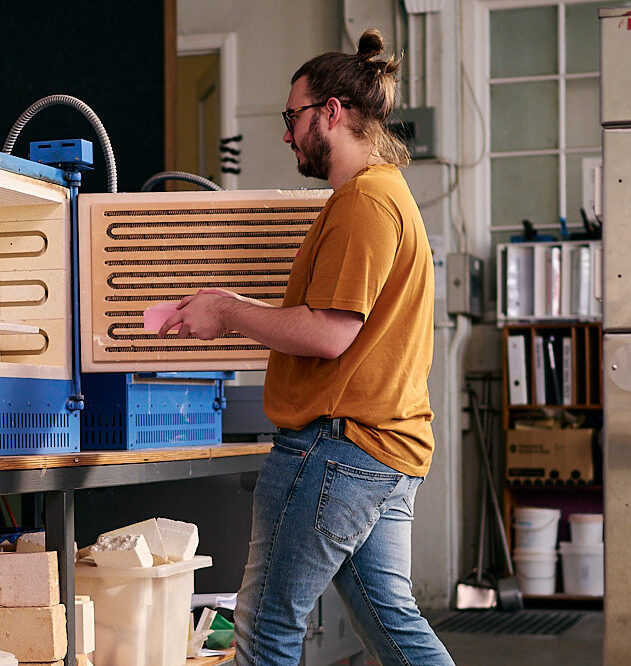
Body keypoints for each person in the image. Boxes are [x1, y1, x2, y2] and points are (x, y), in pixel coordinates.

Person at [160, 28, 451, 666]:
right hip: (382, 447)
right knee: (394, 628)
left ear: (333, 113)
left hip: (338, 450)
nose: (286, 134)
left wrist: (229, 312)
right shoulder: (381, 196)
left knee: (265, 633)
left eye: (292, 117)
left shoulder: (364, 204)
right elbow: (334, 324)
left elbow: (328, 332)